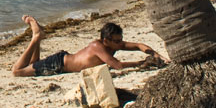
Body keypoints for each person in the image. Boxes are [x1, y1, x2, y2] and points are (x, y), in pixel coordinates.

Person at [11, 15, 166, 77]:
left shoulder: (113, 45)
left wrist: (154, 54)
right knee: (17, 72)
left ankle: (37, 38)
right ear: (106, 40)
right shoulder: (97, 47)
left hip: (62, 60)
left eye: (121, 40)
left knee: (33, 64)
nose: (120, 44)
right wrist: (142, 63)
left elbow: (139, 45)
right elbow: (117, 65)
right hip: (58, 64)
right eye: (117, 41)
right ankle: (35, 37)